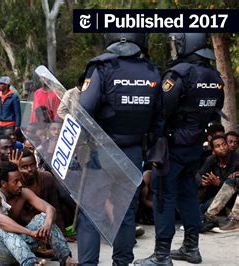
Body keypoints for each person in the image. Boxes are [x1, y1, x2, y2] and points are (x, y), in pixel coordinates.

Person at [136, 33, 225, 265]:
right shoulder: (214, 76)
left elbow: (161, 109)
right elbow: (217, 108)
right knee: (187, 195)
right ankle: (191, 248)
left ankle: (162, 255)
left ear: (187, 45)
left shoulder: (179, 74)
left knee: (163, 196)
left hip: (172, 147)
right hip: (195, 146)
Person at [78, 33, 164, 266]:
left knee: (91, 214)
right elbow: (158, 119)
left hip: (102, 151)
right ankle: (122, 263)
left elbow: (83, 110)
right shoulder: (152, 70)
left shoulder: (102, 68)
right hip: (134, 153)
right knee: (125, 214)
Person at [0, 161, 76, 265]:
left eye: (20, 180)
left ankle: (66, 259)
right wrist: (30, 232)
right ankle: (31, 263)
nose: (20, 184)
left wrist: (47, 225)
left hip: (20, 246)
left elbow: (50, 208)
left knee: (44, 217)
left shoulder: (24, 193)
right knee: (3, 230)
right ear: (4, 183)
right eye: (15, 181)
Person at [196, 135, 239, 214]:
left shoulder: (236, 158)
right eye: (218, 146)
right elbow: (199, 173)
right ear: (213, 150)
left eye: (224, 144)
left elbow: (235, 184)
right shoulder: (211, 159)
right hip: (215, 195)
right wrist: (202, 182)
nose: (222, 148)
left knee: (202, 210)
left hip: (233, 197)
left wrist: (219, 183)